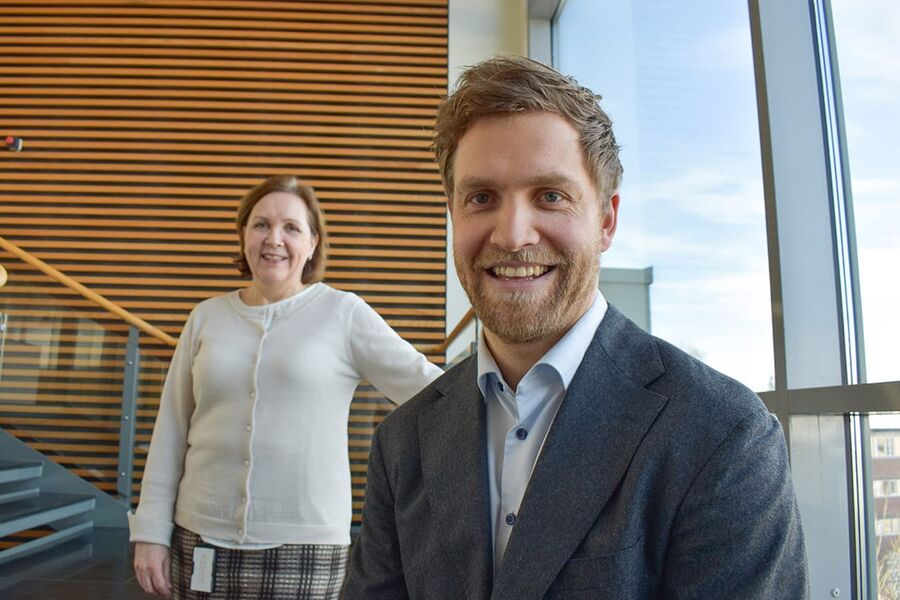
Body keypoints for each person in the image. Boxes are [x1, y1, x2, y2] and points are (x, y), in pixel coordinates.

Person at [342, 56, 809, 599]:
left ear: (606, 220)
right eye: (481, 198)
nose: (512, 235)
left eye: (550, 196)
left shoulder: (721, 434)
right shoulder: (403, 441)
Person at [128, 174, 443, 599]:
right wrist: (150, 532)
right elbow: (170, 429)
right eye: (261, 224)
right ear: (243, 234)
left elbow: (431, 390)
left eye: (291, 227)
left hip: (308, 545)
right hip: (199, 537)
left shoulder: (342, 313)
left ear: (313, 243)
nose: (273, 238)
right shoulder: (205, 317)